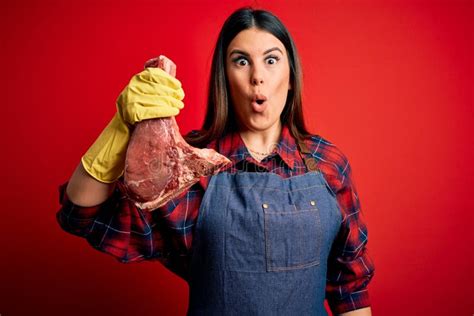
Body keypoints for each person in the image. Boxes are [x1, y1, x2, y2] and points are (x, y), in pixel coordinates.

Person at [57, 6, 375, 316]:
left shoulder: (329, 164)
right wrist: (121, 126)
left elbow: (350, 289)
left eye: (271, 60)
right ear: (224, 78)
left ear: (291, 76)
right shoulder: (188, 168)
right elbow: (82, 215)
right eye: (241, 61)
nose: (257, 77)